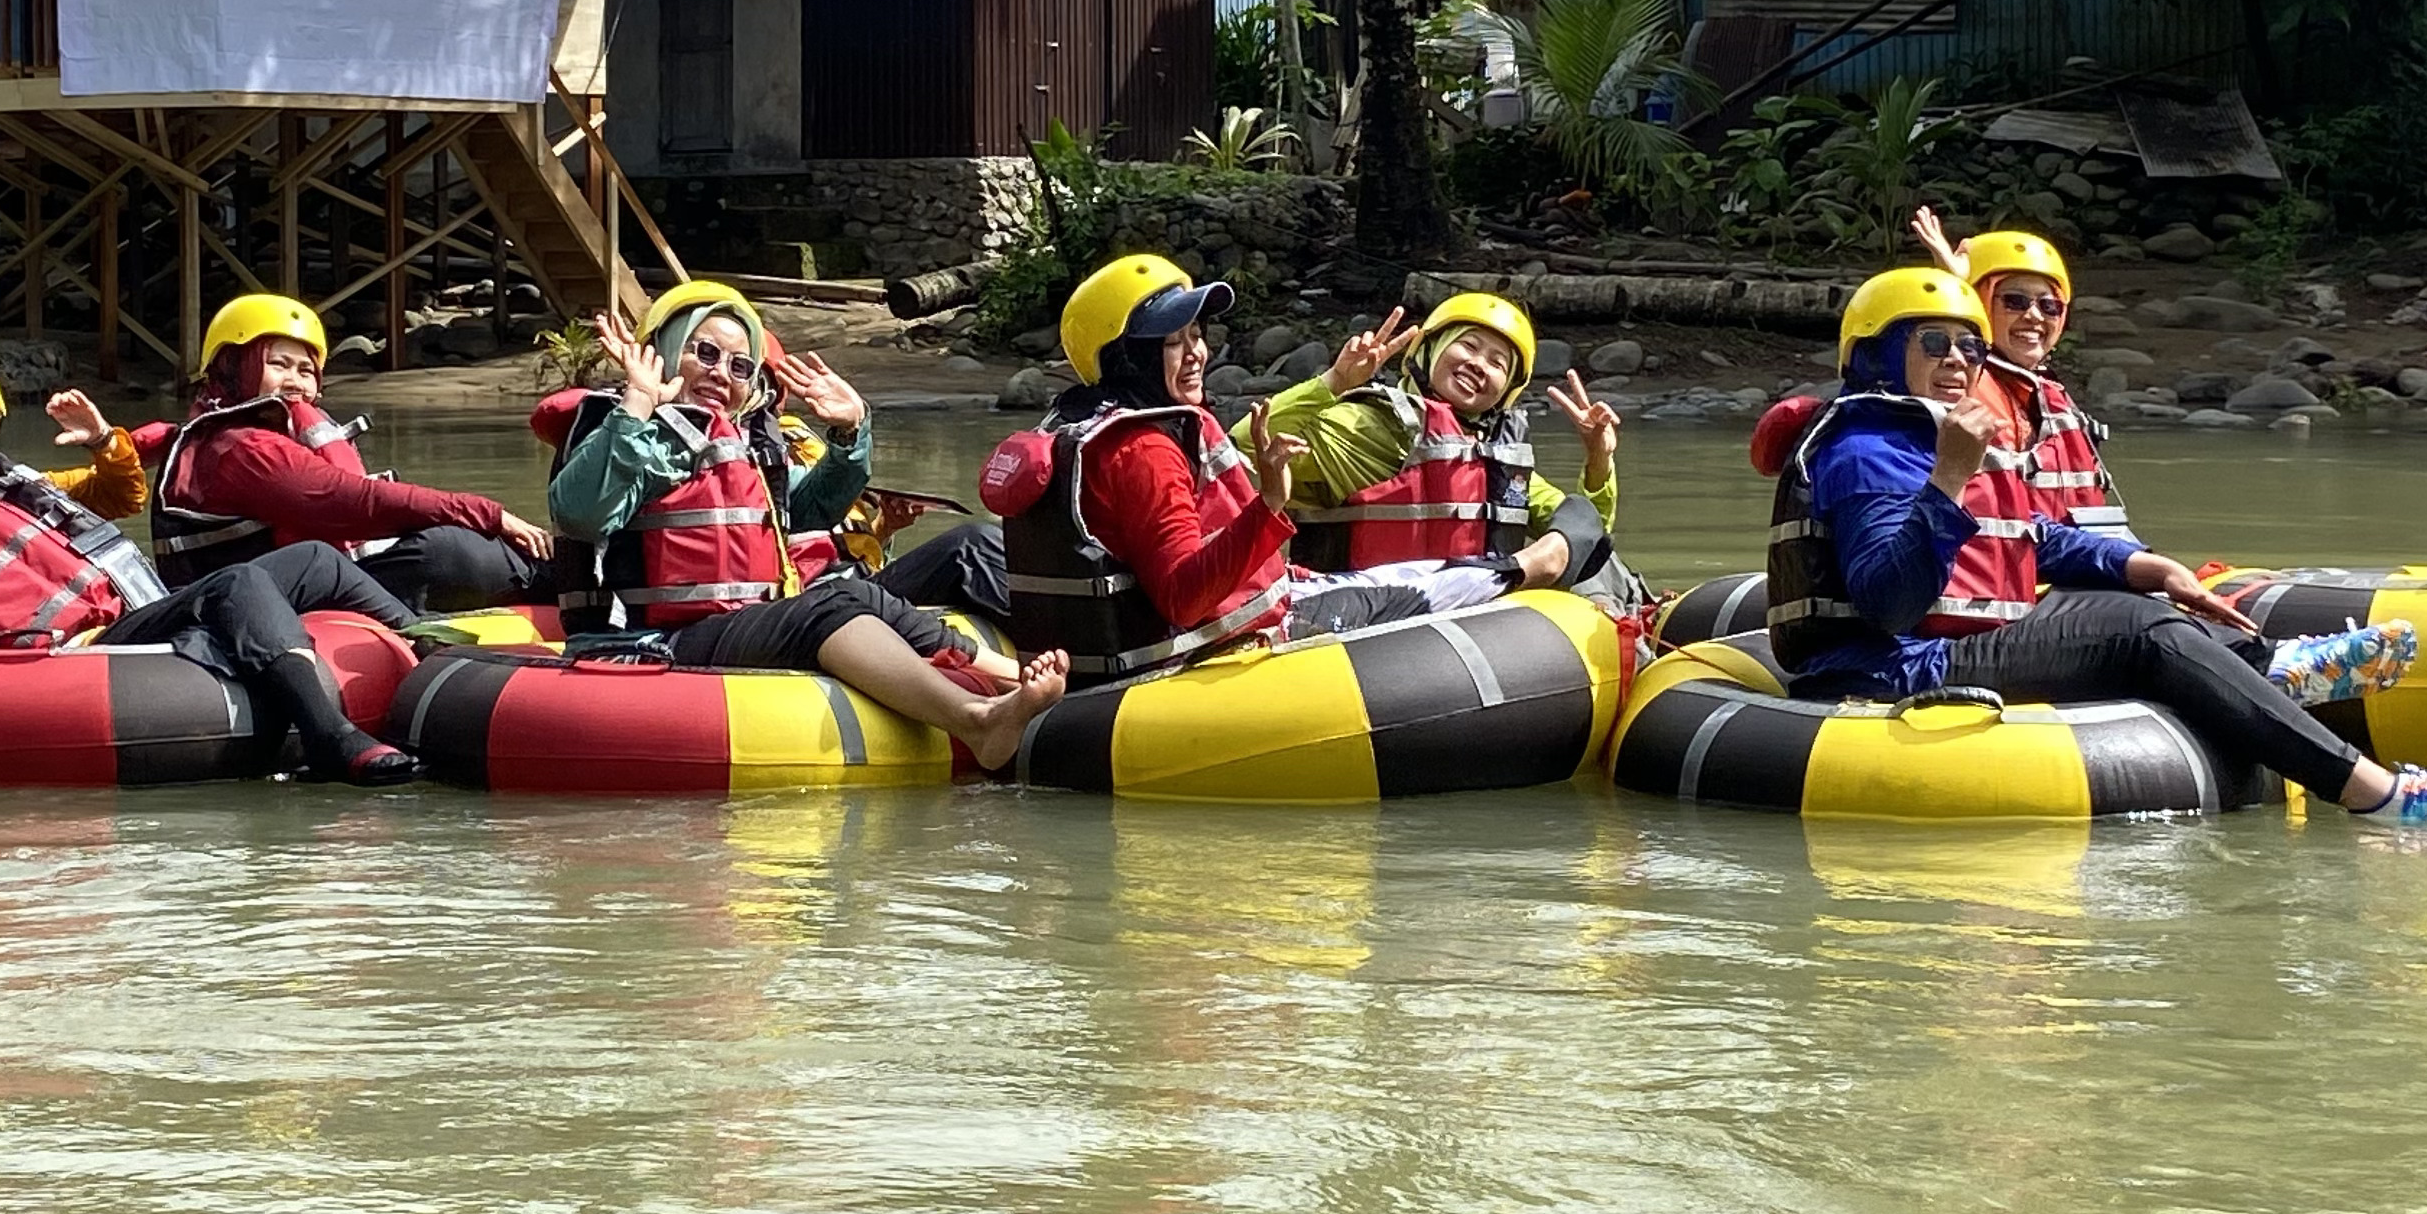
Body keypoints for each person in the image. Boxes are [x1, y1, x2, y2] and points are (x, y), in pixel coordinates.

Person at [1772, 267, 2427, 824]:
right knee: (2135, 630)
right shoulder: (1866, 450)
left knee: (2133, 599)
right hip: (1884, 667)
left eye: (1970, 344)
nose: (1962, 359)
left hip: (1952, 640)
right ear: (1877, 356)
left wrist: (2143, 566)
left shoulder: (1925, 435)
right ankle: (2380, 795)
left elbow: (2032, 535)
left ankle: (2262, 671)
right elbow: (1888, 601)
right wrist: (1951, 476)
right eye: (1934, 342)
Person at [0, 348, 421, 785]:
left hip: (129, 613)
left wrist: (106, 441)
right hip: (78, 646)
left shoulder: (10, 491)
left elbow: (119, 496)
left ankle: (426, 658)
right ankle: (331, 737)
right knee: (240, 580)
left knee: (313, 558)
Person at [534, 286, 1066, 770]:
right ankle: (976, 719)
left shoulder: (748, 443)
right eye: (705, 353)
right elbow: (580, 513)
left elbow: (811, 510)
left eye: (741, 366)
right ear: (664, 353)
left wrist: (850, 433)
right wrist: (638, 405)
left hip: (738, 625)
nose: (722, 372)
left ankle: (1013, 681)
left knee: (855, 592)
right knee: (829, 605)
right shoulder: (620, 425)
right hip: (650, 642)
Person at [988, 255, 1445, 692]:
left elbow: (1245, 439)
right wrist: (1268, 505)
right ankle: (1517, 568)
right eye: (1171, 342)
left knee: (1424, 578)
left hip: (1170, 631)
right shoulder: (1145, 450)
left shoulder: (1078, 422)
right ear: (1129, 357)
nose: (1195, 355)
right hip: (1218, 644)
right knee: (1447, 588)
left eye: (1196, 335)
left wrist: (1336, 382)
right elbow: (1183, 598)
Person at [135, 293, 554, 606]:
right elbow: (350, 502)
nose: (297, 382)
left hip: (287, 591)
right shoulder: (239, 447)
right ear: (232, 365)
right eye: (278, 365)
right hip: (257, 604)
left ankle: (566, 577)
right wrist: (487, 513)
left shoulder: (229, 433)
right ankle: (566, 585)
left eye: (307, 371)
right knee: (444, 549)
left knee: (445, 543)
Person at [1261, 290, 1640, 615]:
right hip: (1360, 615)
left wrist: (1598, 461)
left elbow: (1588, 536)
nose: (1479, 364)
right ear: (1429, 351)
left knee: (1604, 565)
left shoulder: (1499, 461)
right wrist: (1334, 382)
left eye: (1497, 363)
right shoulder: (1367, 425)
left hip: (1466, 626)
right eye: (1469, 345)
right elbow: (1246, 451)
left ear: (1506, 389)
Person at [1909, 210, 2131, 545]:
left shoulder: (2044, 391)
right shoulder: (1961, 379)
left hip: (2081, 557)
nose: (2034, 316)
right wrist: (1957, 291)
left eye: (2049, 306)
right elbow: (1935, 353)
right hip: (2020, 569)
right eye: (2014, 301)